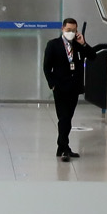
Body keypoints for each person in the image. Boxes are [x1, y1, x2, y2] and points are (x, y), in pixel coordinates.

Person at [43, 17, 89, 160]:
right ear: (63, 29)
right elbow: (46, 67)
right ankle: (65, 148)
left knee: (68, 117)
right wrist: (52, 84)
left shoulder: (78, 45)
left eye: (73, 30)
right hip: (60, 88)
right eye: (68, 30)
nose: (71, 33)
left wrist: (83, 43)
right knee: (63, 118)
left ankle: (61, 148)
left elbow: (92, 56)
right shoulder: (53, 45)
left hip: (74, 88)